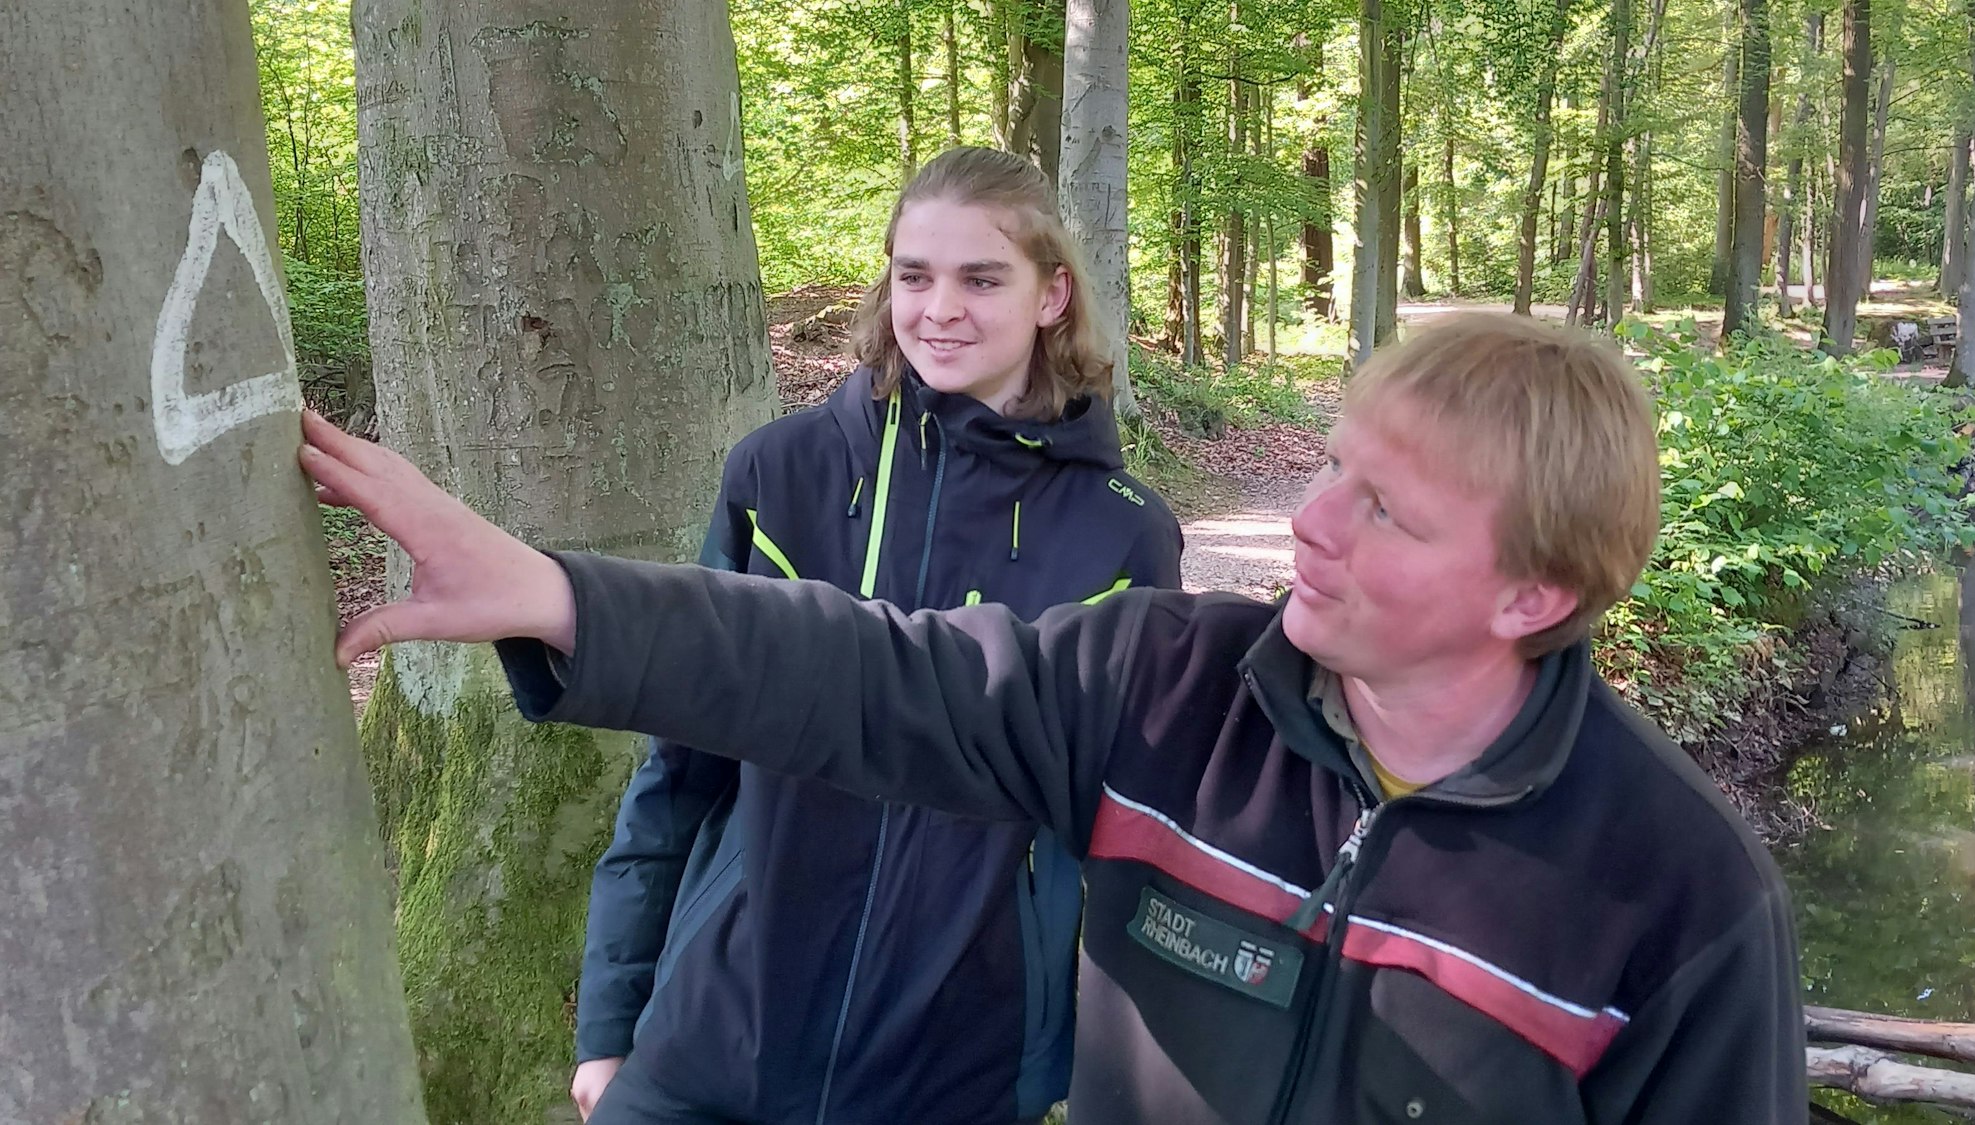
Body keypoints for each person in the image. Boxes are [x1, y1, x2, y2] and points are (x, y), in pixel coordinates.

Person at [301, 311, 1807, 1124]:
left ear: (1533, 595)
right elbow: (867, 673)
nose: (1313, 521)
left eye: (1386, 512)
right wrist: (554, 596)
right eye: (1332, 468)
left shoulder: (1675, 895)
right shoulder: (1166, 687)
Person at [570, 146, 1180, 1123]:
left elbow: (1130, 840)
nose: (940, 309)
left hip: (952, 1071)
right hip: (714, 1044)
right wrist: (608, 1021)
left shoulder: (1119, 536)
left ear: (1051, 294)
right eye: (915, 276)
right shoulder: (779, 476)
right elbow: (679, 767)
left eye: (981, 279)